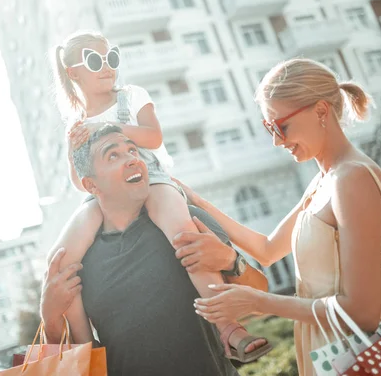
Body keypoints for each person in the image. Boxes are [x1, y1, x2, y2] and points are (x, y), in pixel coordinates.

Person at [47, 29, 270, 361]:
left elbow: (152, 137)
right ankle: (88, 354)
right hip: (101, 194)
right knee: (62, 260)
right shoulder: (75, 123)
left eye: (112, 57)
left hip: (151, 176)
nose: (108, 67)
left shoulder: (131, 96)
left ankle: (227, 326)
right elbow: (81, 181)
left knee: (184, 234)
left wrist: (109, 132)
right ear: (73, 72)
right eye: (95, 61)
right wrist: (73, 152)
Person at [172, 58, 381, 376]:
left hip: (360, 353)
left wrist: (259, 302)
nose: (276, 140)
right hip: (337, 350)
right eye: (268, 128)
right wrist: (197, 202)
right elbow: (267, 248)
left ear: (320, 111)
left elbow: (363, 314)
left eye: (280, 126)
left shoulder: (351, 179)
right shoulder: (324, 181)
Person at [40, 125, 270, 375]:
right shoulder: (81, 262)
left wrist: (231, 261)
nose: (131, 159)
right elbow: (82, 365)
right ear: (91, 185)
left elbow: (262, 300)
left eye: (132, 150)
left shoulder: (188, 221)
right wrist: (49, 317)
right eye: (113, 155)